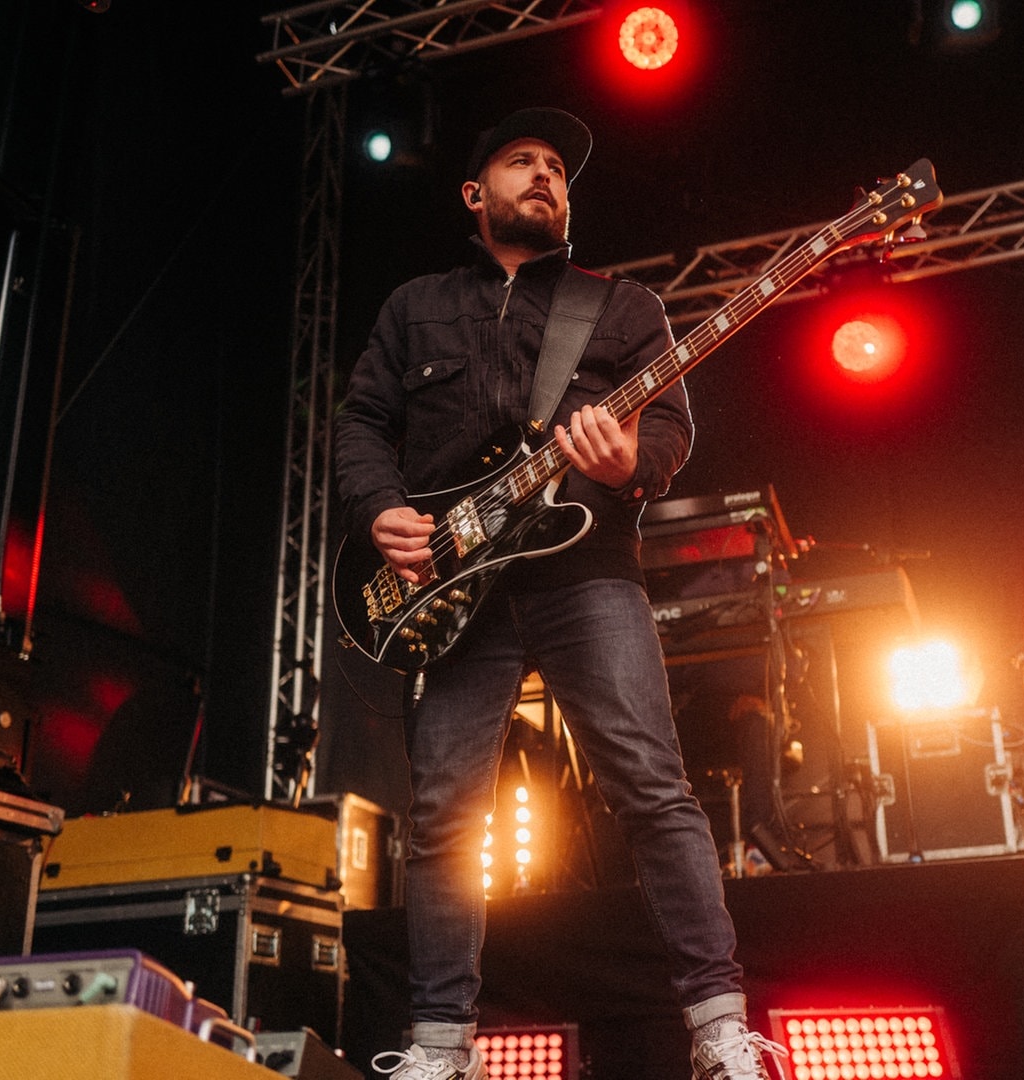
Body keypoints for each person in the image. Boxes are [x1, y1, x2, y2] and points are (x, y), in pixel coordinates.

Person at [334, 107, 783, 1080]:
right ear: (474, 193)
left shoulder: (619, 307)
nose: (545, 176)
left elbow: (667, 428)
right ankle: (440, 1047)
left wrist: (630, 462)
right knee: (449, 814)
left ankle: (718, 1031)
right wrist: (380, 511)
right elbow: (363, 421)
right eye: (520, 162)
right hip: (455, 593)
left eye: (557, 170)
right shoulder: (417, 306)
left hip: (586, 573)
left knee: (654, 791)